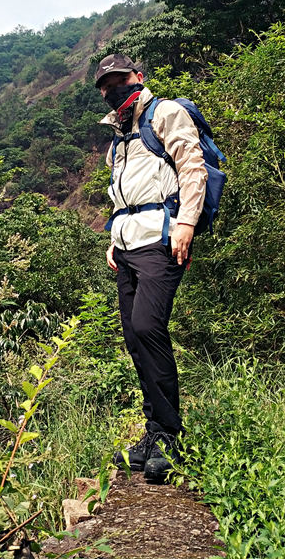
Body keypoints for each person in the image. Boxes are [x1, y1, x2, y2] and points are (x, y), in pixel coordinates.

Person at [94, 53, 208, 482]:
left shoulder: (165, 113)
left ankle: (170, 437)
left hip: (161, 238)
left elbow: (192, 168)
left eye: (120, 80)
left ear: (138, 77)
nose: (113, 89)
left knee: (147, 327)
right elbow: (121, 194)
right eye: (106, 86)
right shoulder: (118, 138)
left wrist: (187, 224)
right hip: (126, 245)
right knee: (134, 338)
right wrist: (113, 239)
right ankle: (154, 431)